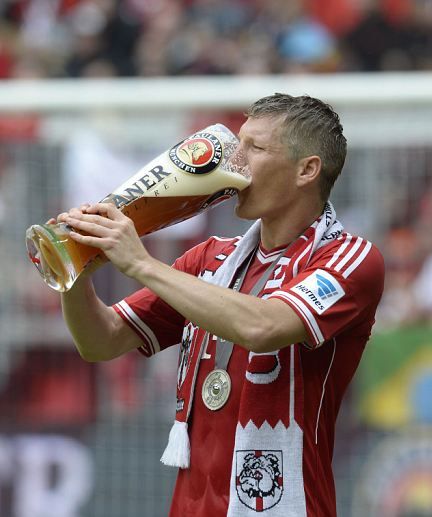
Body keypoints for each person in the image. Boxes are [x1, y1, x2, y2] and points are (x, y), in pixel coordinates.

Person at [55, 94, 384, 516]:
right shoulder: (210, 259)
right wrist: (75, 266)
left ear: (307, 169)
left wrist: (141, 263)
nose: (234, 161)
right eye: (237, 144)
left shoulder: (350, 259)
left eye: (255, 149)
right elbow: (99, 341)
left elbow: (264, 327)